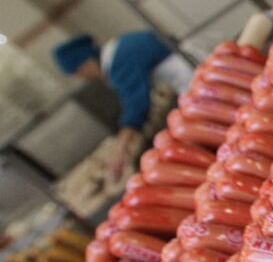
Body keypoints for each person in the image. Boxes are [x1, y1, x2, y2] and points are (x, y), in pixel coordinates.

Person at [53, 30, 193, 176]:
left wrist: (120, 153)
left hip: (189, 74)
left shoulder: (118, 62)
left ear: (87, 62)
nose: (83, 77)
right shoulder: (117, 47)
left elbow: (137, 106)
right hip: (188, 70)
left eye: (79, 72)